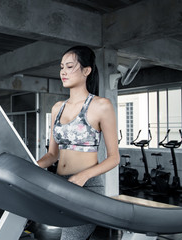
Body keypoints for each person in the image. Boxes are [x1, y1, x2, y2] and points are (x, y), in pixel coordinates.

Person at [37, 46, 120, 240]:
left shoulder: (101, 105)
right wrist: (31, 166)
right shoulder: (57, 107)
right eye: (61, 67)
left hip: (87, 186)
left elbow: (114, 157)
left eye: (69, 66)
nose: (63, 72)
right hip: (59, 184)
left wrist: (84, 176)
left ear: (86, 70)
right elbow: (52, 155)